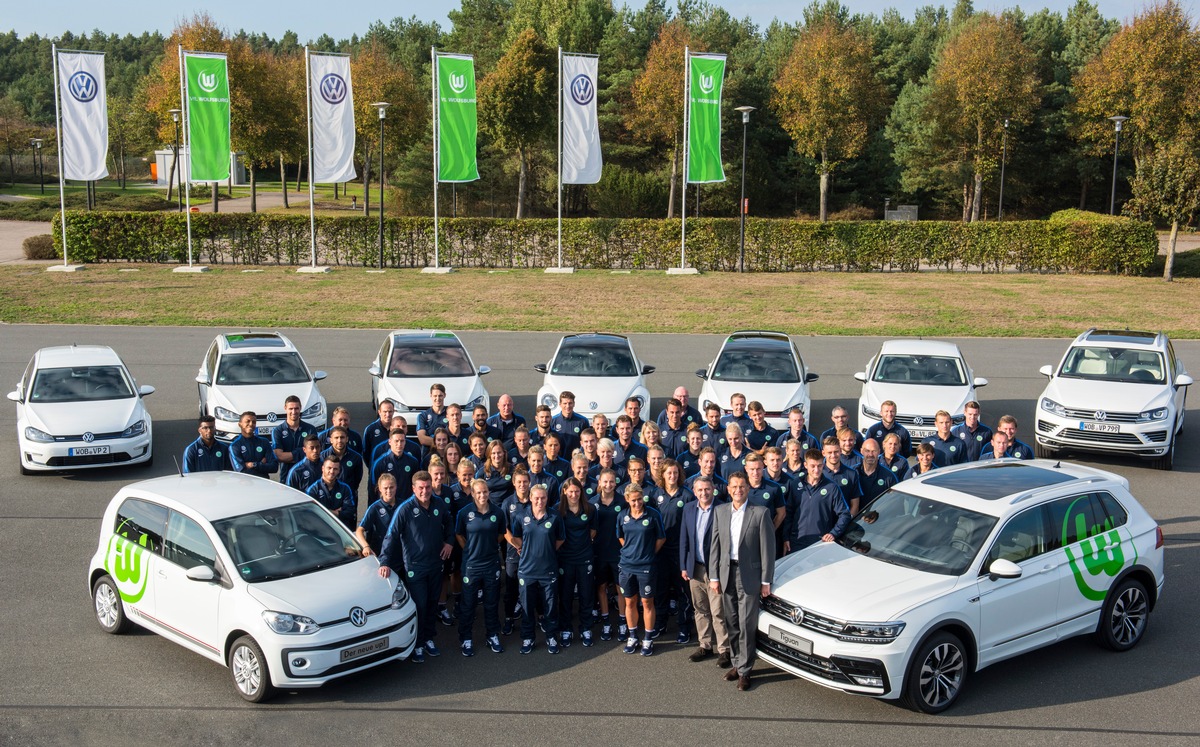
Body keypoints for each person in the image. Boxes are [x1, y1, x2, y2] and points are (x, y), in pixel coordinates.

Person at [708, 471, 775, 691]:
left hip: (750, 576)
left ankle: (745, 671)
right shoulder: (720, 512)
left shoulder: (760, 513)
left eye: (742, 487)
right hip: (727, 574)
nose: (738, 490)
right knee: (732, 622)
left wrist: (766, 581)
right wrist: (714, 576)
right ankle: (736, 663)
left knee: (747, 624)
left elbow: (767, 549)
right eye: (734, 487)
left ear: (748, 489)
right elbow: (715, 546)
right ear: (728, 489)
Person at [379, 471, 454, 663]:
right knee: (419, 605)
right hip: (415, 567)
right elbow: (392, 536)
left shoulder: (439, 504)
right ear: (413, 488)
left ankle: (429, 638)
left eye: (428, 487)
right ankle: (418, 644)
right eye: (420, 487)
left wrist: (449, 542)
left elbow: (449, 524)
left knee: (431, 603)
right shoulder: (404, 509)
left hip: (436, 564)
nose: (425, 491)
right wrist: (385, 561)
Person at [508, 483, 565, 655]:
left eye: (543, 498)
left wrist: (545, 549)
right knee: (527, 606)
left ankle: (551, 636)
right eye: (537, 498)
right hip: (527, 570)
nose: (540, 501)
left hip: (548, 570)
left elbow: (560, 539)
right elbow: (515, 537)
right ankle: (528, 638)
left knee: (550, 606)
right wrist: (526, 550)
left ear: (547, 498)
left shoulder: (555, 516)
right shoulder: (520, 516)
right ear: (531, 498)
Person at [679, 476, 730, 667]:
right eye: (700, 490)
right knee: (700, 609)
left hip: (715, 569)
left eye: (707, 489)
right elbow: (684, 538)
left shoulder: (723, 508)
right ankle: (705, 645)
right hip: (695, 567)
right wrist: (684, 566)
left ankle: (724, 649)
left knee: (718, 610)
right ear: (694, 491)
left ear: (713, 489)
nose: (704, 493)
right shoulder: (689, 509)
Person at [455, 478, 505, 656]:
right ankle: (466, 638)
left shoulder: (498, 513)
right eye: (479, 492)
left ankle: (492, 635)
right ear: (473, 494)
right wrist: (469, 549)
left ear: (488, 492)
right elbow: (459, 534)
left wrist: (490, 545)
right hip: (472, 566)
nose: (482, 495)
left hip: (492, 564)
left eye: (485, 492)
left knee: (491, 603)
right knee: (468, 604)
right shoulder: (464, 513)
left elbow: (501, 534)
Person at [616, 485, 665, 657]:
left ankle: (648, 638)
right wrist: (631, 551)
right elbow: (621, 536)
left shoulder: (653, 514)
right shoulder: (622, 516)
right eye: (633, 500)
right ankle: (633, 636)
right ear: (627, 499)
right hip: (627, 565)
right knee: (629, 602)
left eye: (639, 499)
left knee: (647, 603)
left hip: (646, 567)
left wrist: (648, 553)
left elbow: (661, 538)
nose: (637, 503)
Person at [650, 459, 694, 643]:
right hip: (660, 551)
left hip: (680, 552)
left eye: (675, 473)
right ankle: (661, 623)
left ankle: (684, 627)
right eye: (669, 473)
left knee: (682, 591)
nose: (672, 476)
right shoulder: (654, 495)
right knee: (660, 590)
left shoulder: (687, 495)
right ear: (662, 474)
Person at [557, 479, 597, 647]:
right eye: (571, 492)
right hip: (565, 559)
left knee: (586, 594)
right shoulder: (557, 510)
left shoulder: (590, 509)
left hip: (584, 558)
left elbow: (593, 531)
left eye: (577, 491)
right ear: (565, 492)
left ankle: (586, 628)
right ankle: (566, 629)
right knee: (565, 596)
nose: (574, 495)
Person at [785, 450, 850, 553]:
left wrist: (833, 533)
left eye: (819, 466)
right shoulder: (795, 484)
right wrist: (786, 538)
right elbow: (788, 513)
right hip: (797, 542)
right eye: (813, 466)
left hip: (820, 543)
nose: (816, 470)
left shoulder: (831, 487)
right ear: (805, 465)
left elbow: (845, 514)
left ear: (823, 465)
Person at [589, 470, 626, 641]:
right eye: (605, 482)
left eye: (611, 482)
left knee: (620, 589)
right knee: (601, 587)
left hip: (618, 553)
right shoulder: (592, 503)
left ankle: (623, 622)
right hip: (599, 553)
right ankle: (605, 622)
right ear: (600, 483)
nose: (608, 485)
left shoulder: (623, 502)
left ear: (616, 483)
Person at [500, 467, 533, 635]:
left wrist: (527, 547)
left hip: (533, 554)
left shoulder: (535, 500)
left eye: (525, 481)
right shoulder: (507, 503)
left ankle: (538, 617)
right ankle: (509, 619)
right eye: (519, 482)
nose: (522, 485)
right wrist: (517, 545)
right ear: (513, 483)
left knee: (533, 588)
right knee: (511, 589)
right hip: (514, 553)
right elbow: (504, 529)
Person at [272, 395, 318, 484]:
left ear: (300, 408)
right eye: (291, 408)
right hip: (286, 476)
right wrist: (301, 452)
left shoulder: (310, 429)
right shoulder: (277, 431)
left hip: (309, 475)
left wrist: (289, 456)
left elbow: (314, 454)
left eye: (296, 408)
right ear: (285, 408)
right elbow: (279, 456)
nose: (294, 412)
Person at [371, 428, 421, 503]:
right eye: (396, 441)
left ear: (405, 442)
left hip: (407, 504)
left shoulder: (413, 462)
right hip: (387, 505)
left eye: (402, 441)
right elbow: (373, 487)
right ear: (390, 442)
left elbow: (417, 484)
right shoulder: (380, 463)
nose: (399, 444)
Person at [357, 473, 400, 558]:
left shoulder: (403, 505)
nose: (389, 491)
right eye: (385, 488)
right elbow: (359, 531)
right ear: (380, 488)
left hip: (401, 554)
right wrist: (366, 546)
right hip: (382, 554)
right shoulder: (375, 508)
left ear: (396, 487)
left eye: (391, 487)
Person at [306, 455, 356, 528]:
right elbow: (311, 513)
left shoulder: (345, 488)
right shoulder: (313, 489)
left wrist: (322, 510)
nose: (332, 472)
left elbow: (350, 512)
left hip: (340, 529)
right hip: (319, 529)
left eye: (335, 469)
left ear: (339, 470)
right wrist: (338, 512)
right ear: (323, 468)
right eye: (329, 468)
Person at [321, 426, 363, 501]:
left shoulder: (356, 457)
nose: (339, 440)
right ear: (331, 440)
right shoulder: (322, 457)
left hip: (348, 498)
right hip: (327, 498)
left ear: (347, 439)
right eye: (336, 438)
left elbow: (357, 479)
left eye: (342, 437)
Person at [822, 436, 863, 514]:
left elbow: (855, 505)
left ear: (840, 451)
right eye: (829, 452)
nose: (833, 455)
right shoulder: (818, 473)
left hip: (844, 523)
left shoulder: (851, 474)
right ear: (823, 453)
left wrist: (847, 523)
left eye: (836, 451)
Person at [230, 412, 277, 479]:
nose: (251, 424)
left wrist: (254, 465)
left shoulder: (264, 442)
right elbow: (241, 471)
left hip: (263, 484)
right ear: (240, 424)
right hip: (245, 484)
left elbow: (274, 467)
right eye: (247, 421)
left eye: (254, 422)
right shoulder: (234, 446)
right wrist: (261, 464)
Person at [857, 438, 898, 505]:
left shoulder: (889, 477)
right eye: (867, 451)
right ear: (861, 451)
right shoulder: (853, 473)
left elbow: (894, 502)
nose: (870, 455)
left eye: (874, 451)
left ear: (879, 452)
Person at [480, 439, 514, 507]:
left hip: (509, 507)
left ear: (504, 453)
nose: (497, 455)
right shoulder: (482, 472)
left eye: (499, 452)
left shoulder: (512, 469)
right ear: (489, 454)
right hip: (490, 508)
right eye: (493, 453)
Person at [416, 383, 450, 448]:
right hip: (428, 453)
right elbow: (422, 439)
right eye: (435, 396)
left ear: (444, 395)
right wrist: (441, 444)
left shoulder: (450, 414)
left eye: (440, 396)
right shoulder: (423, 415)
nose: (437, 398)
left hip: (447, 454)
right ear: (431, 396)